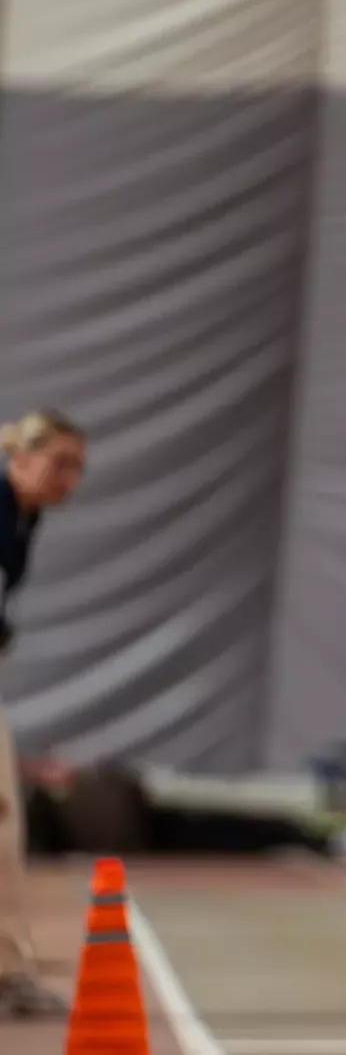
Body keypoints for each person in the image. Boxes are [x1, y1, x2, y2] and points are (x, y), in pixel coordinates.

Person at [0, 407, 86, 1018]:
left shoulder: (24, 517)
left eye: (78, 468)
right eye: (60, 463)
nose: (70, 480)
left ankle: (6, 973)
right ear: (21, 456)